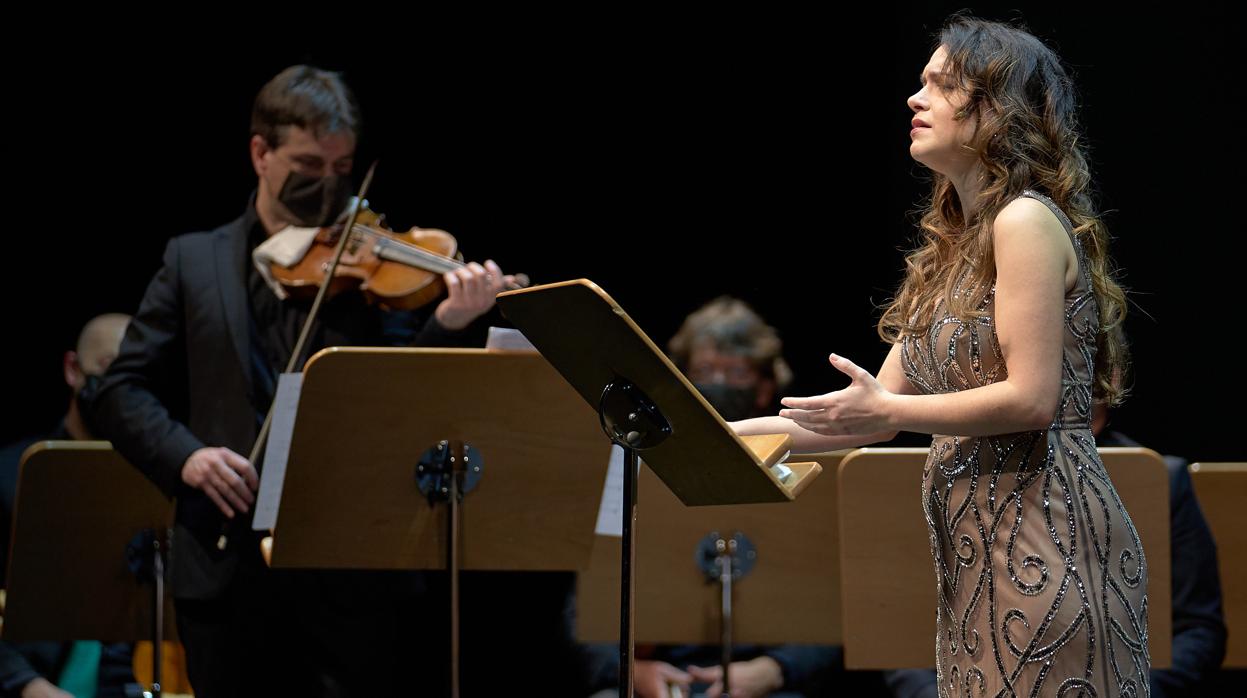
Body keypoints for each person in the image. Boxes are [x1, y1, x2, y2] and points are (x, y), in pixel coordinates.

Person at [732, 15, 1149, 696]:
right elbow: (869, 421)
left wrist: (889, 406)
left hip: (1049, 544)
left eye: (941, 84)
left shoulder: (1023, 220)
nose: (913, 98)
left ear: (993, 108)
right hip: (979, 557)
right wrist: (714, 438)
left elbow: (1031, 398)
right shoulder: (950, 250)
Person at [86, 65, 512, 697]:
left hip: (351, 571)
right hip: (224, 566)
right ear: (261, 153)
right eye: (309, 163)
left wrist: (450, 319)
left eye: (342, 169)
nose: (328, 185)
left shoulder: (368, 263)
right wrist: (189, 457)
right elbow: (120, 390)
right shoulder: (192, 261)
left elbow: (404, 391)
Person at [587, 297, 862, 698]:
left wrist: (776, 668)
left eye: (735, 372)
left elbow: (840, 601)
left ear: (766, 386)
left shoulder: (815, 469)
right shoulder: (631, 464)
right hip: (657, 672)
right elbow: (590, 596)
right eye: (703, 371)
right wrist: (631, 668)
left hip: (764, 678)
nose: (717, 382)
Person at [884, 389, 1229, 697]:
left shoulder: (1160, 479)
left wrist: (1127, 684)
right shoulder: (956, 481)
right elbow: (895, 624)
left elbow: (1199, 628)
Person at [0, 313, 137, 698]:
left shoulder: (156, 482)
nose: (122, 391)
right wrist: (27, 685)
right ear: (73, 370)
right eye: (109, 369)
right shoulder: (13, 475)